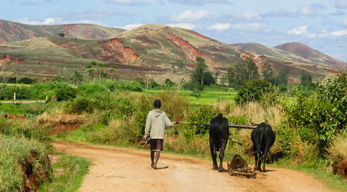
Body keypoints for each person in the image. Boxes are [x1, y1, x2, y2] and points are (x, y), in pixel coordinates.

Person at [144, 99, 174, 169]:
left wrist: (146, 133)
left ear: (154, 105)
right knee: (158, 150)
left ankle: (152, 162)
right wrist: (174, 123)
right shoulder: (163, 114)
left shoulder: (150, 113)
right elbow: (169, 124)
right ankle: (155, 163)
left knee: (152, 150)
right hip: (160, 135)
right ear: (160, 106)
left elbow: (148, 124)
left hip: (152, 134)